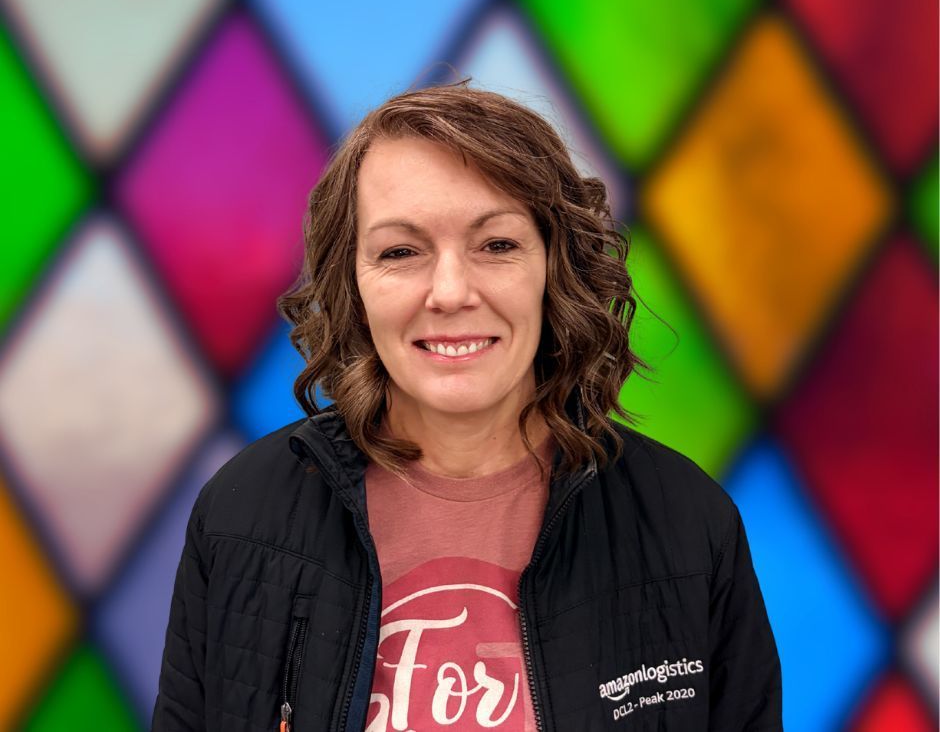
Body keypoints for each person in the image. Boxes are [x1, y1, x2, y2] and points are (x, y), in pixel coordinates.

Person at [151, 81, 782, 732]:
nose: (450, 292)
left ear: (553, 269)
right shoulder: (241, 516)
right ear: (353, 285)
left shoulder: (687, 524)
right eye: (401, 252)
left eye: (497, 245)